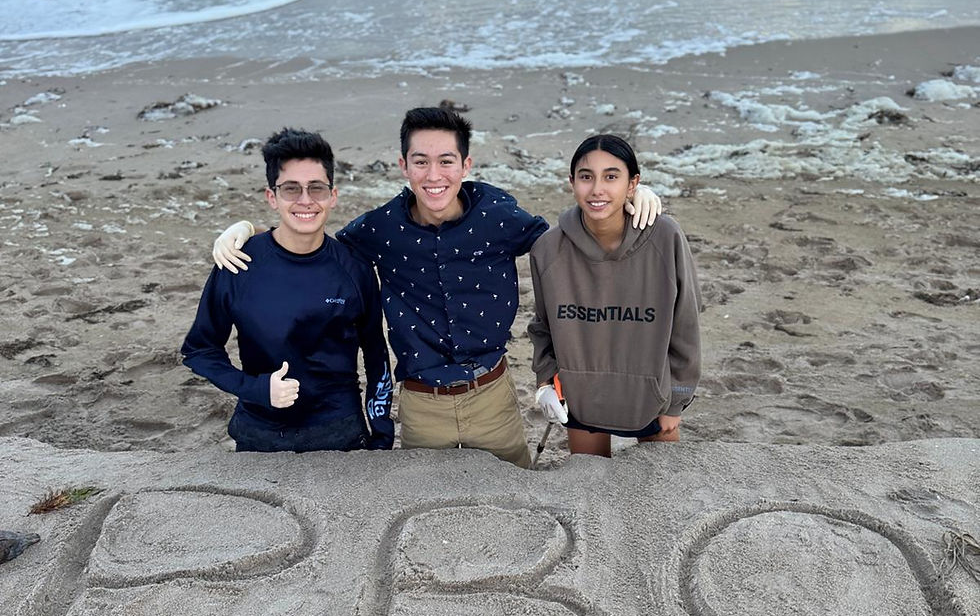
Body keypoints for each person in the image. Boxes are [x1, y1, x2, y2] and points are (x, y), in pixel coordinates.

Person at [211, 107, 663, 467]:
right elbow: (310, 235)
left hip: (493, 396)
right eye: (421, 162)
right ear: (403, 166)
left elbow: (568, 240)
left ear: (465, 164)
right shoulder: (380, 229)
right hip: (421, 406)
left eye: (446, 161)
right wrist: (247, 229)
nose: (434, 175)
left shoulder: (498, 217)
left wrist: (629, 200)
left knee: (520, 502)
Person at [182, 127, 394, 453]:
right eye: (291, 189)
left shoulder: (354, 269)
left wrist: (381, 436)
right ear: (272, 197)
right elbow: (199, 350)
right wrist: (255, 388)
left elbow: (377, 357)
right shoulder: (239, 261)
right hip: (259, 432)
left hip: (339, 432)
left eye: (317, 188)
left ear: (332, 196)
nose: (306, 200)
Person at [528, 134, 700, 458]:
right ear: (571, 183)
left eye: (611, 176)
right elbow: (543, 327)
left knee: (662, 492)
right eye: (586, 177)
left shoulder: (666, 236)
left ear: (632, 183)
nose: (597, 190)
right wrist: (544, 383)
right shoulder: (547, 249)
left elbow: (685, 324)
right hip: (582, 400)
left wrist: (677, 401)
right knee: (590, 494)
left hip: (652, 400)